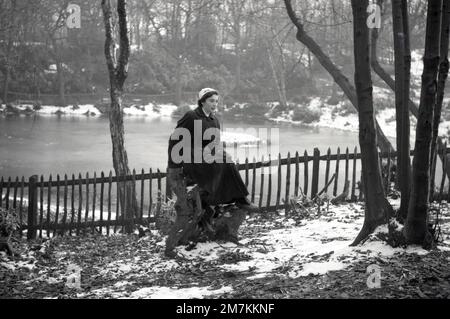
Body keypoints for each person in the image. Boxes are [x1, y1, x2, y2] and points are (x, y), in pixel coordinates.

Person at [165, 88, 257, 257]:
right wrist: (175, 164)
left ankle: (239, 199)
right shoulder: (192, 116)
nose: (215, 104)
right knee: (221, 161)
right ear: (202, 101)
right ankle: (235, 197)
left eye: (216, 101)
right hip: (189, 158)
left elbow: (215, 144)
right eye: (211, 101)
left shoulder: (214, 120)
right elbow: (175, 138)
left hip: (205, 157)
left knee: (226, 159)